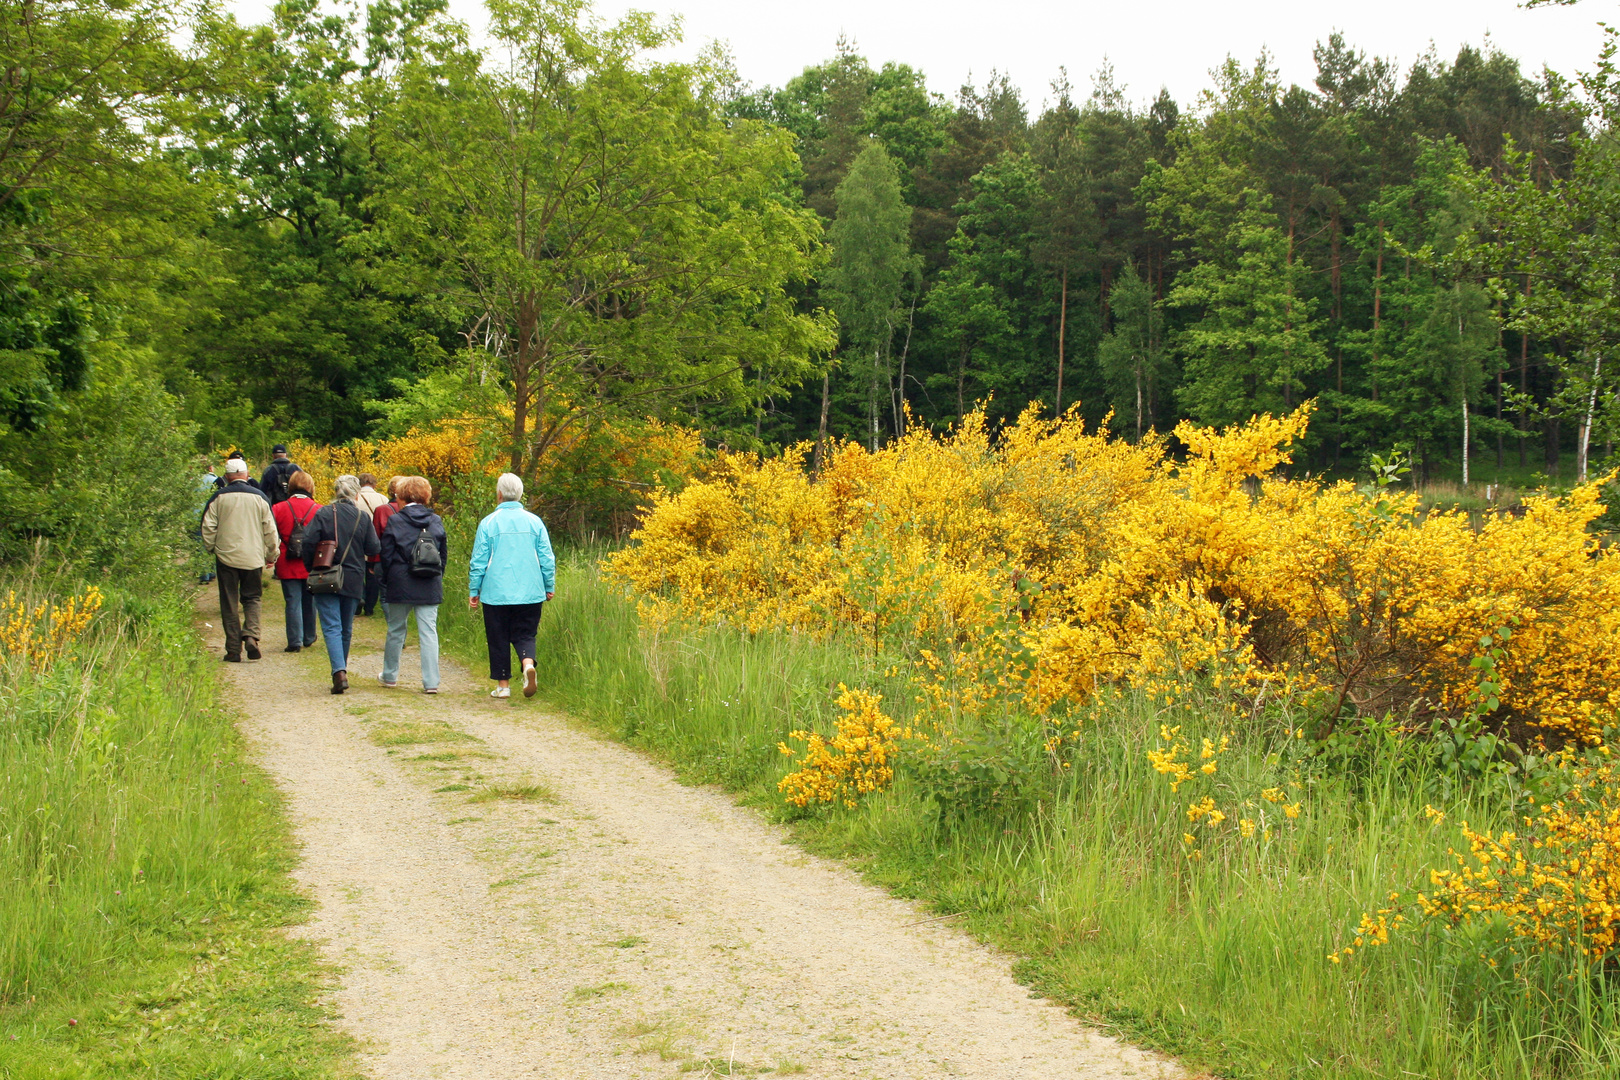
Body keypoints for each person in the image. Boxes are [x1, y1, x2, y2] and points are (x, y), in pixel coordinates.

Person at [467, 472, 555, 699]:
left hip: (496, 593)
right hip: (531, 591)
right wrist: (549, 585)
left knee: (498, 637)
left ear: (498, 494)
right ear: (520, 493)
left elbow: (479, 560)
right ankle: (527, 665)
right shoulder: (535, 522)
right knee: (526, 633)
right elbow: (546, 557)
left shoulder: (488, 523)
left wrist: (474, 590)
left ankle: (503, 686)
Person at [301, 474, 379, 694]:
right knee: (346, 628)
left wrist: (312, 567)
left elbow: (308, 542)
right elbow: (373, 548)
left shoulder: (324, 513)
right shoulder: (362, 518)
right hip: (353, 578)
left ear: (335, 492)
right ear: (356, 494)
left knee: (331, 626)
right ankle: (341, 669)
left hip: (326, 576)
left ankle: (339, 671)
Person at [201, 457, 279, 662]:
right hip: (253, 557)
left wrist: (212, 548)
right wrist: (272, 554)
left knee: (229, 602)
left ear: (226, 477)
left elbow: (208, 527)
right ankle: (252, 634)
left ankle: (233, 649)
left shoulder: (218, 497)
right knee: (252, 597)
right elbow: (270, 529)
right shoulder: (260, 497)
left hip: (226, 557)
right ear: (246, 474)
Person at [378, 476, 447, 694]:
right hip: (429, 581)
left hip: (401, 581)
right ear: (425, 495)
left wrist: (386, 580)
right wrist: (438, 575)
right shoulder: (435, 520)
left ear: (401, 496)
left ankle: (389, 675)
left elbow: (386, 555)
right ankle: (431, 682)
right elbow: (443, 554)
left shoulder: (396, 520)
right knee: (428, 632)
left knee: (396, 629)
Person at [271, 470, 322, 653]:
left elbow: (272, 535)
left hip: (287, 560)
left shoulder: (278, 508)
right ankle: (309, 636)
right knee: (310, 600)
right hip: (311, 562)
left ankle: (294, 640)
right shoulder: (318, 509)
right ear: (310, 486)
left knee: (292, 600)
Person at [369, 477, 404, 617]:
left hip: (383, 559)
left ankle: (392, 623)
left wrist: (371, 562)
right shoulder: (415, 511)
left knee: (385, 595)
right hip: (405, 560)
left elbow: (375, 537)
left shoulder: (381, 510)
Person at [357, 473, 390, 616]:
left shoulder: (355, 498)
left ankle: (360, 598)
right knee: (373, 575)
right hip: (376, 539)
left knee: (358, 572)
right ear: (374, 484)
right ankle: (370, 606)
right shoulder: (383, 499)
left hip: (358, 539)